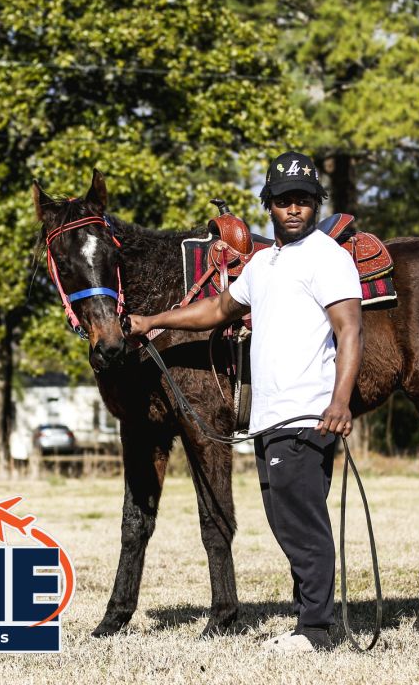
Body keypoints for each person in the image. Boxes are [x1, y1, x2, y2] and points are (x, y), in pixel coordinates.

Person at [126, 150, 363, 653]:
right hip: (268, 418)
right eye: (283, 201)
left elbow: (350, 331)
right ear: (269, 205)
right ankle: (310, 621)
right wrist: (153, 322)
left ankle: (317, 630)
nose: (293, 209)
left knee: (302, 522)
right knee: (285, 521)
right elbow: (216, 308)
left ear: (315, 203)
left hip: (308, 412)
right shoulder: (264, 265)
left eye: (302, 200)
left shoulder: (329, 258)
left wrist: (339, 402)